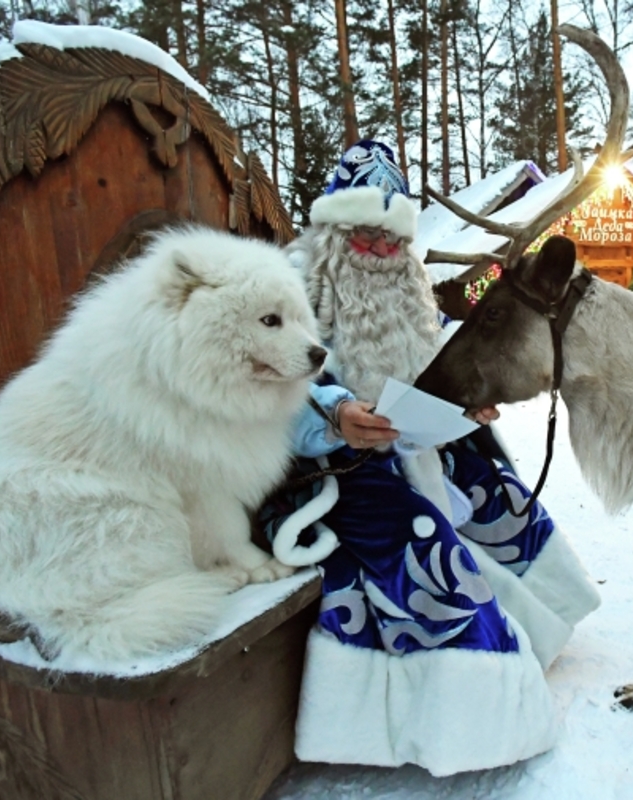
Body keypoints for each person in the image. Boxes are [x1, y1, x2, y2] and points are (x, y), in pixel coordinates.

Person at [257, 140, 601, 777]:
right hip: (321, 464)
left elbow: (441, 355)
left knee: (488, 473)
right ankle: (464, 705)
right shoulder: (290, 285)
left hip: (405, 439)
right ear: (335, 228)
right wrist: (336, 415)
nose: (385, 252)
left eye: (393, 237)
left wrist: (471, 399)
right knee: (416, 543)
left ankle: (544, 612)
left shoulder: (409, 281)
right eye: (368, 236)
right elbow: (271, 390)